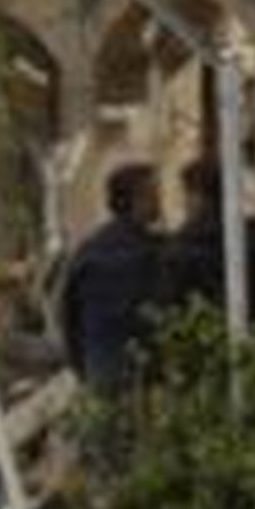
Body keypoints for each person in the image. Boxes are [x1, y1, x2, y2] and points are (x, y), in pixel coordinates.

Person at [57, 161, 167, 392]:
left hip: (100, 372)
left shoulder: (87, 251)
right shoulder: (155, 253)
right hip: (144, 377)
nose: (160, 202)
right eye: (154, 194)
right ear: (135, 201)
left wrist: (83, 368)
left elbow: (68, 317)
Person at [162, 155, 255, 328]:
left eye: (187, 195)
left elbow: (169, 310)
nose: (185, 204)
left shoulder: (182, 248)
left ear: (198, 197)